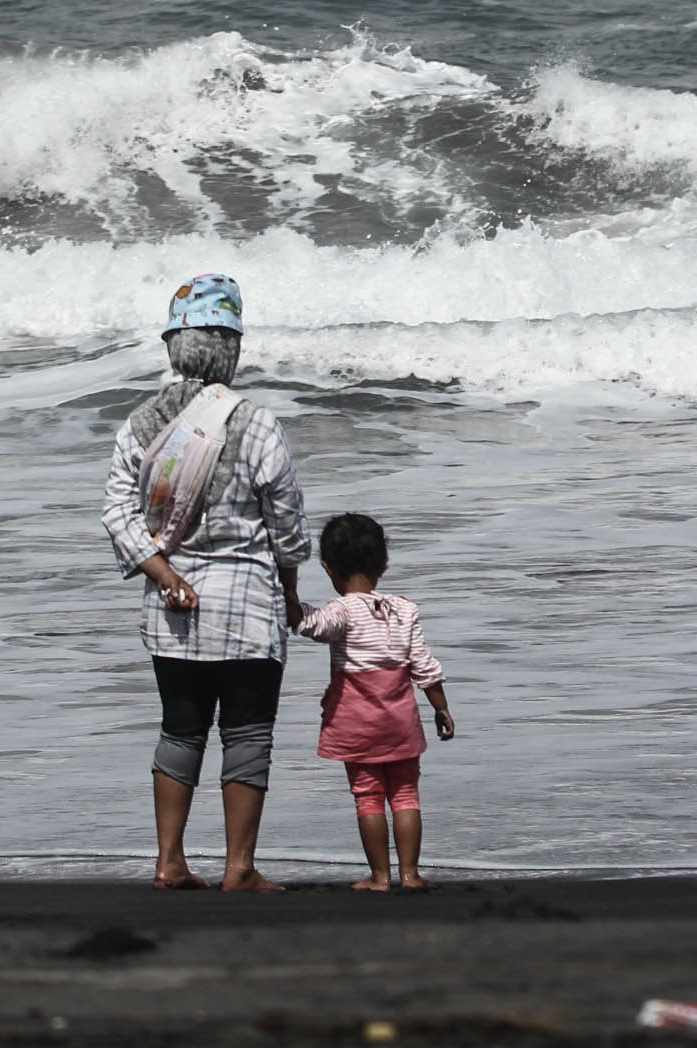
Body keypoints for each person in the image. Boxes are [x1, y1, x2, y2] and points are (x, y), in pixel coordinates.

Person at [101, 273, 311, 892]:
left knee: (180, 727)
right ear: (231, 348)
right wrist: (292, 591)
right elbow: (289, 528)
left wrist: (164, 572)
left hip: (173, 613)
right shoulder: (254, 423)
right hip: (247, 607)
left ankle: (169, 862)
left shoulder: (140, 424)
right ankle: (239, 868)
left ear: (175, 346)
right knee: (247, 734)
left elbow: (116, 512)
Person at [295, 512, 455, 892]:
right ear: (384, 562)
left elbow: (311, 626)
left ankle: (380, 876)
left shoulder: (340, 611)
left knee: (368, 797)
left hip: (356, 723)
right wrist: (441, 707)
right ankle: (411, 874)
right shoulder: (403, 610)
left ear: (328, 568)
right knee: (405, 794)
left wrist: (289, 598)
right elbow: (424, 666)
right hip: (400, 719)